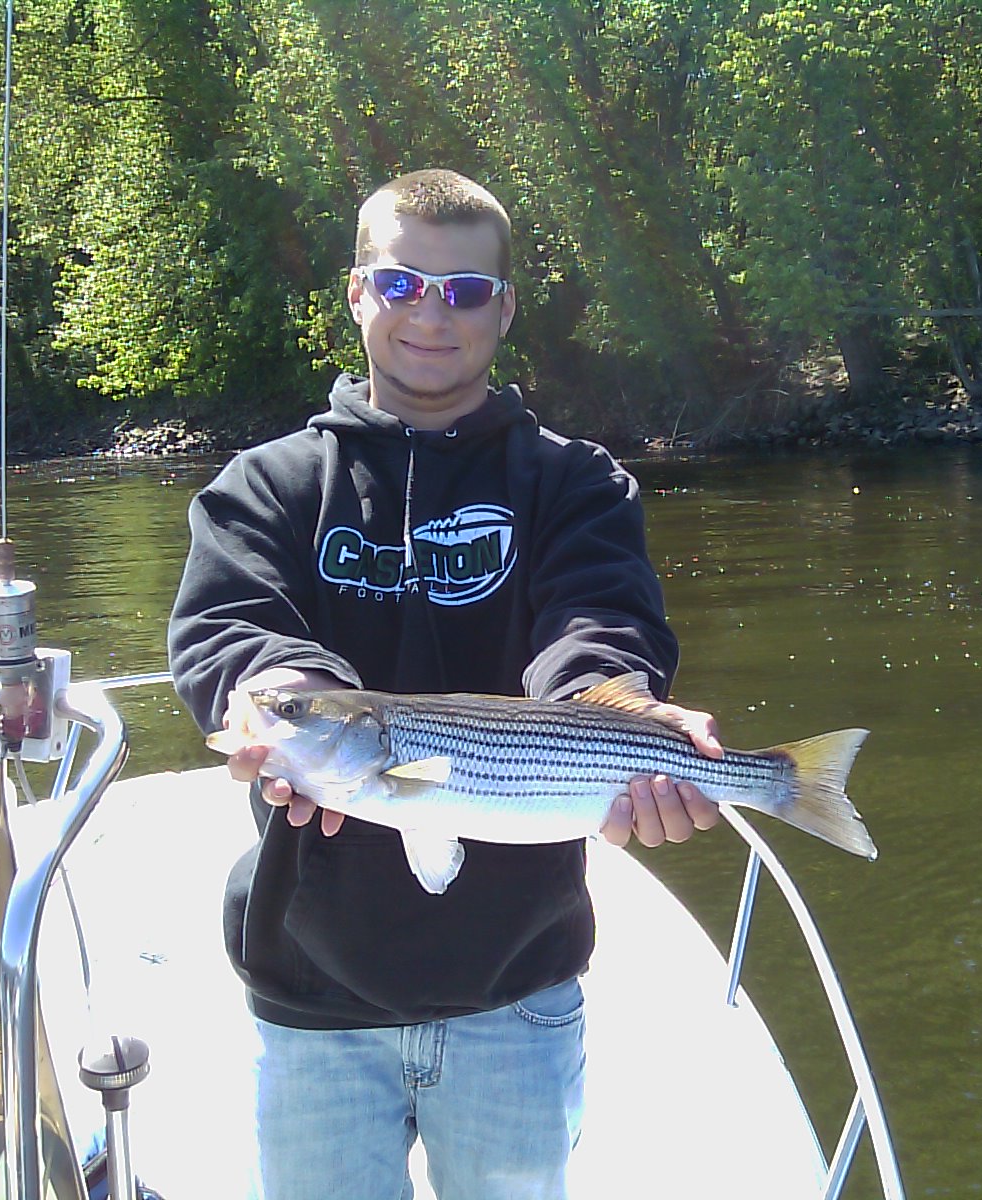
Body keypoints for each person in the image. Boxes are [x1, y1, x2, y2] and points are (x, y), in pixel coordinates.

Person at [168, 168, 722, 1200]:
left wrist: (621, 713)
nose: (432, 313)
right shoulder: (266, 486)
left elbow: (596, 623)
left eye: (465, 292)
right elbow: (230, 629)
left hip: (517, 985)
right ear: (355, 293)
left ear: (504, 308)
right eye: (402, 284)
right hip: (311, 988)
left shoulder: (574, 482)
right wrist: (285, 697)